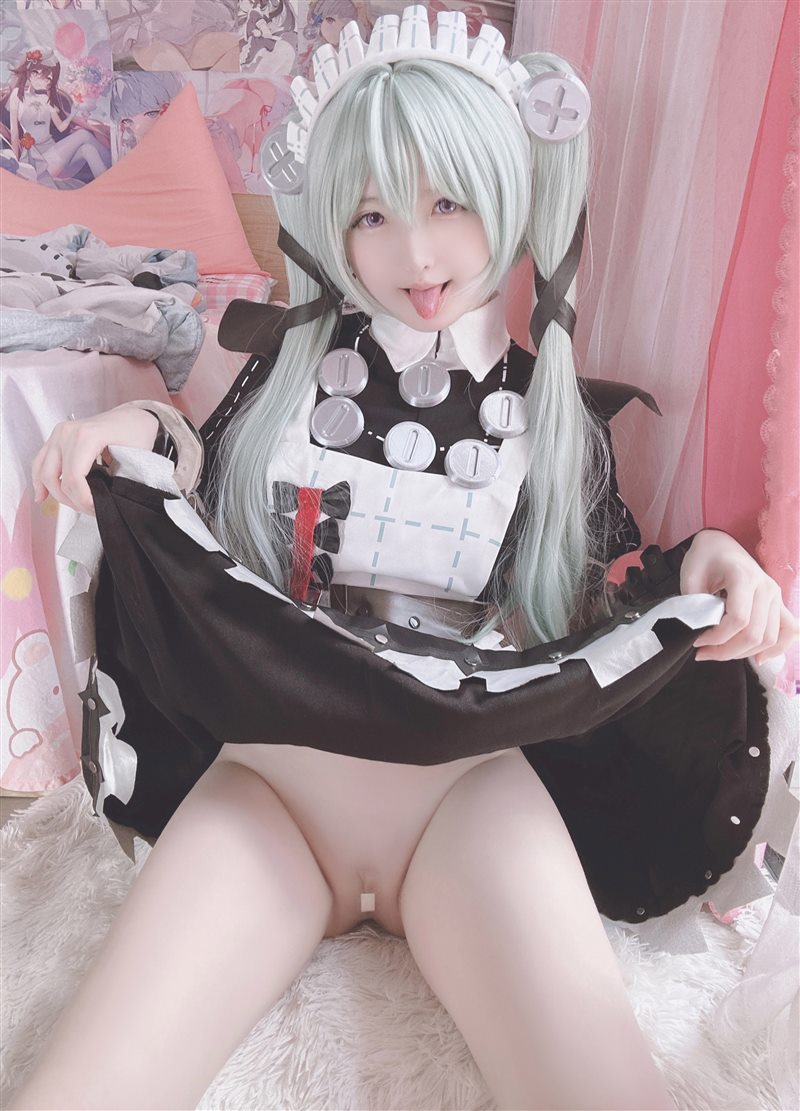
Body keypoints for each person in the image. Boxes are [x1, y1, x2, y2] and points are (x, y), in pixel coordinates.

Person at [13, 7, 797, 1110]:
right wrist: (124, 432)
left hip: (465, 796)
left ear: (509, 191)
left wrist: (713, 556)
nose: (415, 255)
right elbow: (192, 469)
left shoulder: (551, 415)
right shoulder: (287, 376)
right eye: (372, 214)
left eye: (448, 203)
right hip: (272, 785)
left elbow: (613, 586)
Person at [2, 48, 110, 187]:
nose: (49, 81)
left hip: (56, 154)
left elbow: (60, 126)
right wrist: (17, 168)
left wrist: (73, 114)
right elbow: (15, 133)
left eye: (50, 77)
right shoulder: (17, 95)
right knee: (83, 135)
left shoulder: (45, 98)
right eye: (46, 76)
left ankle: (108, 184)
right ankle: (115, 166)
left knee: (88, 149)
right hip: (39, 160)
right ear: (31, 74)